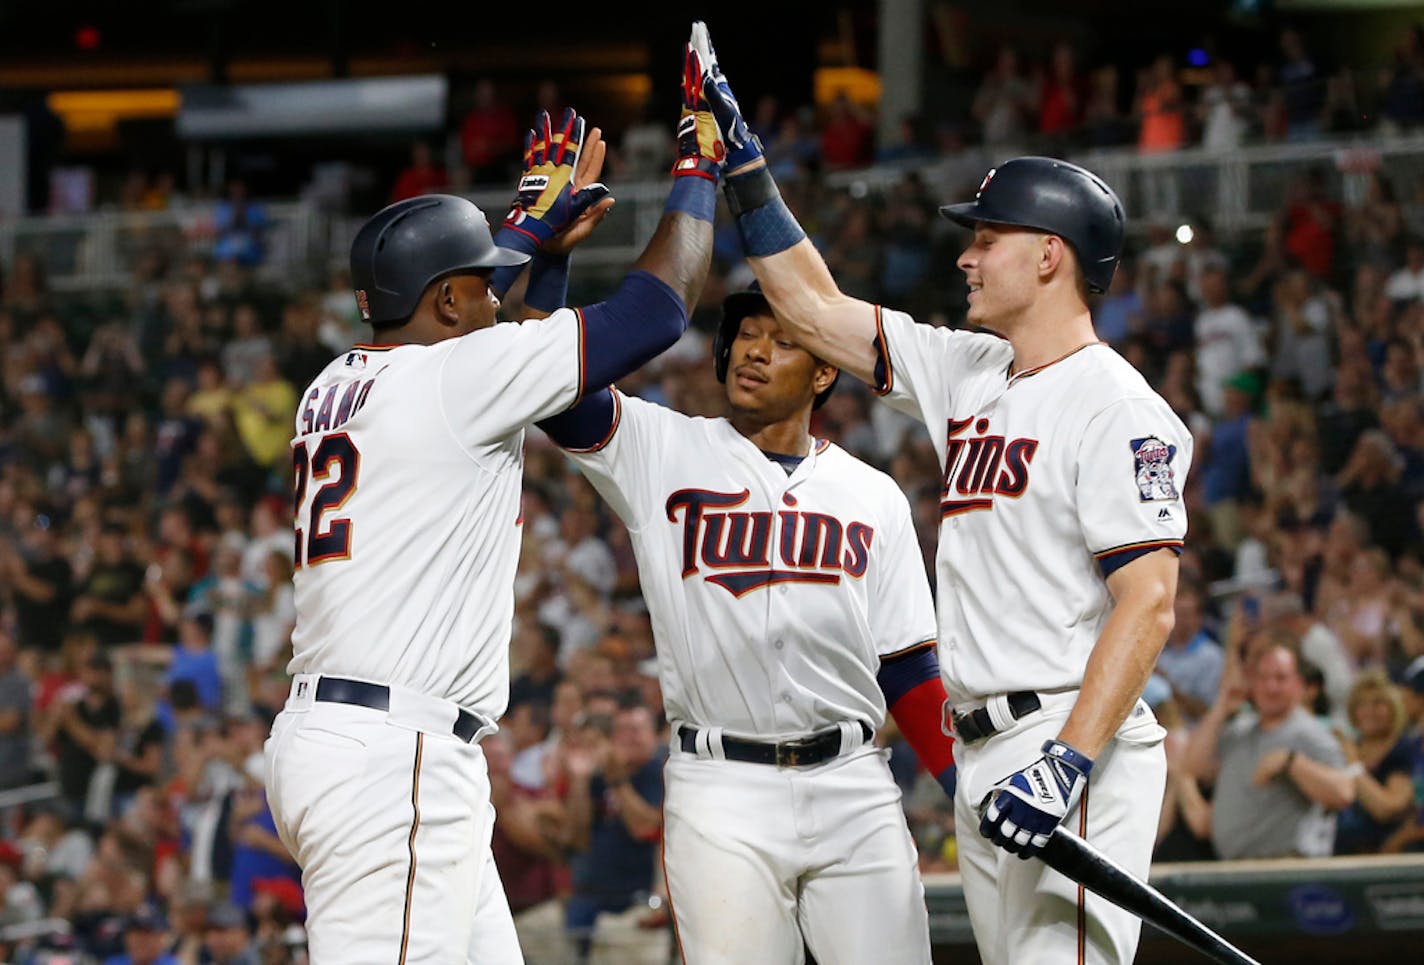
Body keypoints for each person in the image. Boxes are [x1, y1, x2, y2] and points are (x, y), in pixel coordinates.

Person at [692, 24, 1189, 963]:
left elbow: (1150, 600)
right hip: (984, 750)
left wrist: (1069, 761)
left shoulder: (1121, 405)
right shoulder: (973, 368)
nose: (966, 256)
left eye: (989, 239)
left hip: (1064, 734)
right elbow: (812, 310)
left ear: (1050, 255)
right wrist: (745, 169)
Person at [264, 37, 724, 962]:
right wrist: (697, 172)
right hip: (392, 757)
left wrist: (528, 239)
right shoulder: (455, 374)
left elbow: (498, 340)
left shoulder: (338, 379)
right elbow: (657, 313)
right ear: (444, 304)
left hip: (361, 742)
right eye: (481, 285)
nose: (498, 297)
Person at [538, 271, 956, 960]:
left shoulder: (873, 494)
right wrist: (550, 262)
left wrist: (961, 784)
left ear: (825, 369)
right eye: (745, 336)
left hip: (853, 779)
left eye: (781, 340)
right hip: (722, 785)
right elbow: (555, 391)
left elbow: (907, 662)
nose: (752, 351)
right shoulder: (661, 447)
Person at [1184, 639, 1354, 858]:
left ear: (1299, 684)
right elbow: (1192, 768)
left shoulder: (1310, 733)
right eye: (1263, 678)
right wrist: (1221, 705)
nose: (1271, 687)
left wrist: (1292, 762)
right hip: (1236, 868)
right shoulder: (1239, 731)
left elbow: (1344, 793)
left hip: (1286, 867)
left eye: (1281, 678)